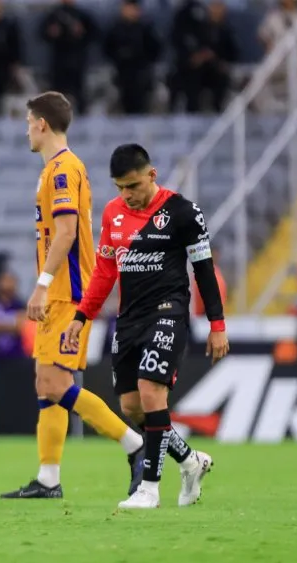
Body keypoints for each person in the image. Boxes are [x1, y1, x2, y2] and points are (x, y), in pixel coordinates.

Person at [63, 144, 229, 509]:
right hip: (129, 318)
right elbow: (105, 272)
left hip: (168, 311)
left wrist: (217, 324)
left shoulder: (183, 213)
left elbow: (203, 269)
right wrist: (81, 316)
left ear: (152, 175)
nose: (127, 195)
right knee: (133, 407)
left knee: (152, 392)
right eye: (120, 187)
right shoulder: (112, 214)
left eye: (133, 186)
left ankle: (149, 489)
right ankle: (189, 461)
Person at [0, 92, 145, 502]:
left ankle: (134, 446)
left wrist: (43, 283)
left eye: (29, 122)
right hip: (61, 292)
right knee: (46, 387)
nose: (27, 129)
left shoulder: (63, 170)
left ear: (42, 124)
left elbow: (65, 233)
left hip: (67, 293)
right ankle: (48, 479)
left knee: (54, 382)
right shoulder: (55, 170)